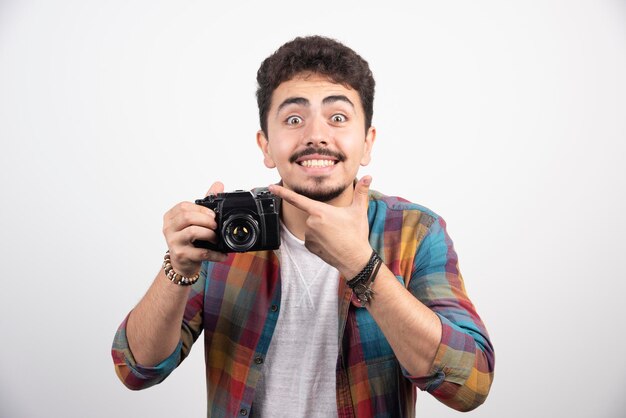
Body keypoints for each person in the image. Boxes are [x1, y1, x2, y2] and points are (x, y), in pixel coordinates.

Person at [112, 35, 495, 417]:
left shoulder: (414, 232)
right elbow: (136, 369)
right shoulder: (229, 230)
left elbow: (471, 384)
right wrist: (177, 269)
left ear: (367, 143)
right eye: (294, 119)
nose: (315, 135)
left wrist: (363, 267)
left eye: (338, 118)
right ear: (265, 146)